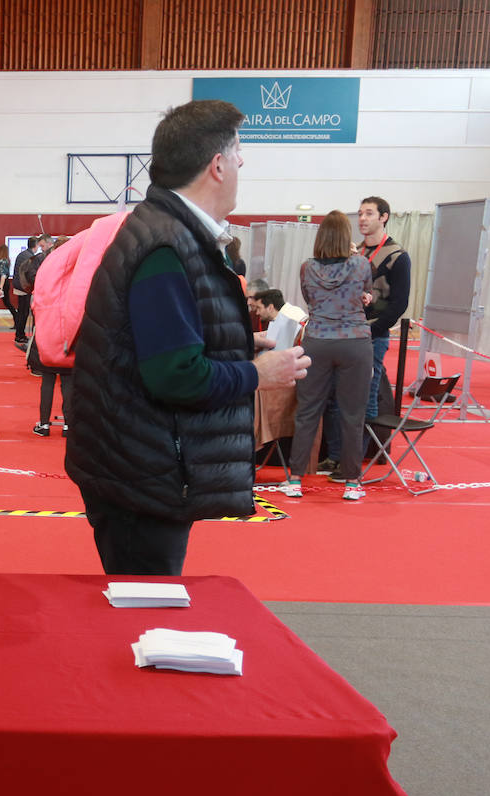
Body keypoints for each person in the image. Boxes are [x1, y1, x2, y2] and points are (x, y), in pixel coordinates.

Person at [66, 99, 309, 575]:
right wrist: (256, 374)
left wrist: (242, 346)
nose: (243, 161)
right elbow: (176, 376)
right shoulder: (166, 245)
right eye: (238, 151)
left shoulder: (170, 234)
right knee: (147, 606)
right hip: (143, 473)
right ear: (216, 165)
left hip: (140, 461)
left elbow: (160, 344)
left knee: (142, 601)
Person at [281, 211, 374, 501]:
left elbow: (310, 300)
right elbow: (366, 295)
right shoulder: (361, 264)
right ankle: (352, 483)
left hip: (318, 340)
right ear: (348, 239)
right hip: (355, 342)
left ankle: (295, 479)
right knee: (352, 413)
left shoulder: (307, 267)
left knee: (308, 410)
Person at [359, 196, 411, 423]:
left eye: (369, 213)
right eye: (360, 213)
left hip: (372, 335)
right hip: (345, 333)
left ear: (383, 217)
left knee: (368, 395)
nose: (362, 218)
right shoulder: (355, 251)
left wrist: (373, 330)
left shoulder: (397, 256)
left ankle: (362, 454)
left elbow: (399, 303)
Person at [11, 236, 39, 347]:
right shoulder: (30, 257)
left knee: (22, 312)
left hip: (19, 286)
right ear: (36, 245)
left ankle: (20, 334)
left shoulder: (22, 254)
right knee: (23, 313)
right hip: (23, 288)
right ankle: (20, 336)